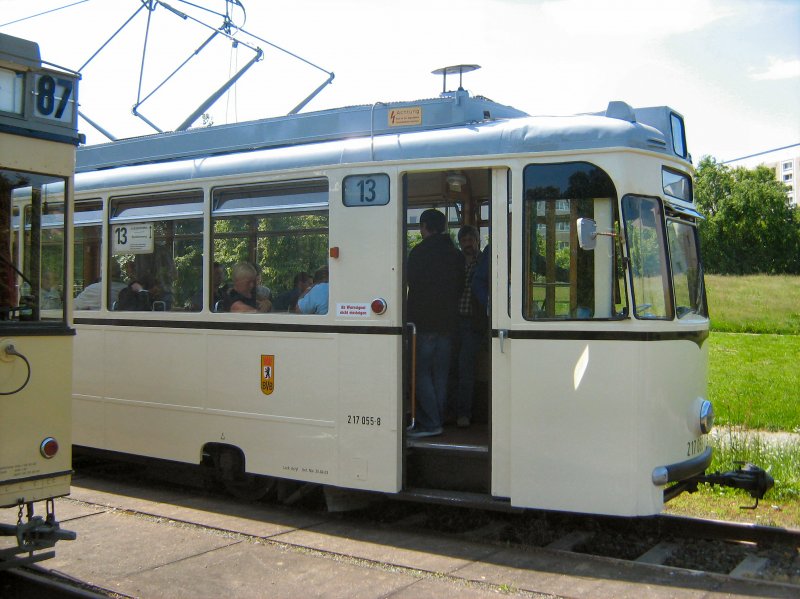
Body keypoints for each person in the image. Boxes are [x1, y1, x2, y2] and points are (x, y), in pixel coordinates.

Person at [406, 209, 462, 438]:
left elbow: (412, 283)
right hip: (448, 323)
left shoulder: (419, 253)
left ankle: (430, 422)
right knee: (440, 375)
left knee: (420, 374)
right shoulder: (455, 254)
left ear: (426, 226)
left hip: (424, 322)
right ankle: (438, 418)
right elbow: (459, 287)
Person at [451, 225, 484, 428]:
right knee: (454, 367)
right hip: (455, 321)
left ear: (478, 241)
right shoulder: (455, 263)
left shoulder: (484, 262)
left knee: (465, 367)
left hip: (473, 322)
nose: (467, 244)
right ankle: (455, 410)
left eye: (471, 240)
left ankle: (464, 413)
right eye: (464, 241)